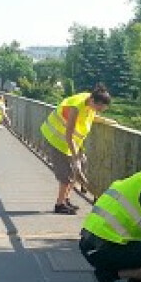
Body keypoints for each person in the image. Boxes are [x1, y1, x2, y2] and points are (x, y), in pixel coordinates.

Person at [40, 83, 111, 215]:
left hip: (72, 142)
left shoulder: (89, 102)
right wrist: (74, 157)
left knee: (80, 167)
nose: (98, 111)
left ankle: (66, 199)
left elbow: (90, 117)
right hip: (57, 139)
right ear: (93, 101)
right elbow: (68, 134)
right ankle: (59, 204)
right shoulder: (76, 107)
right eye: (99, 108)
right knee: (67, 172)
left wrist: (105, 121)